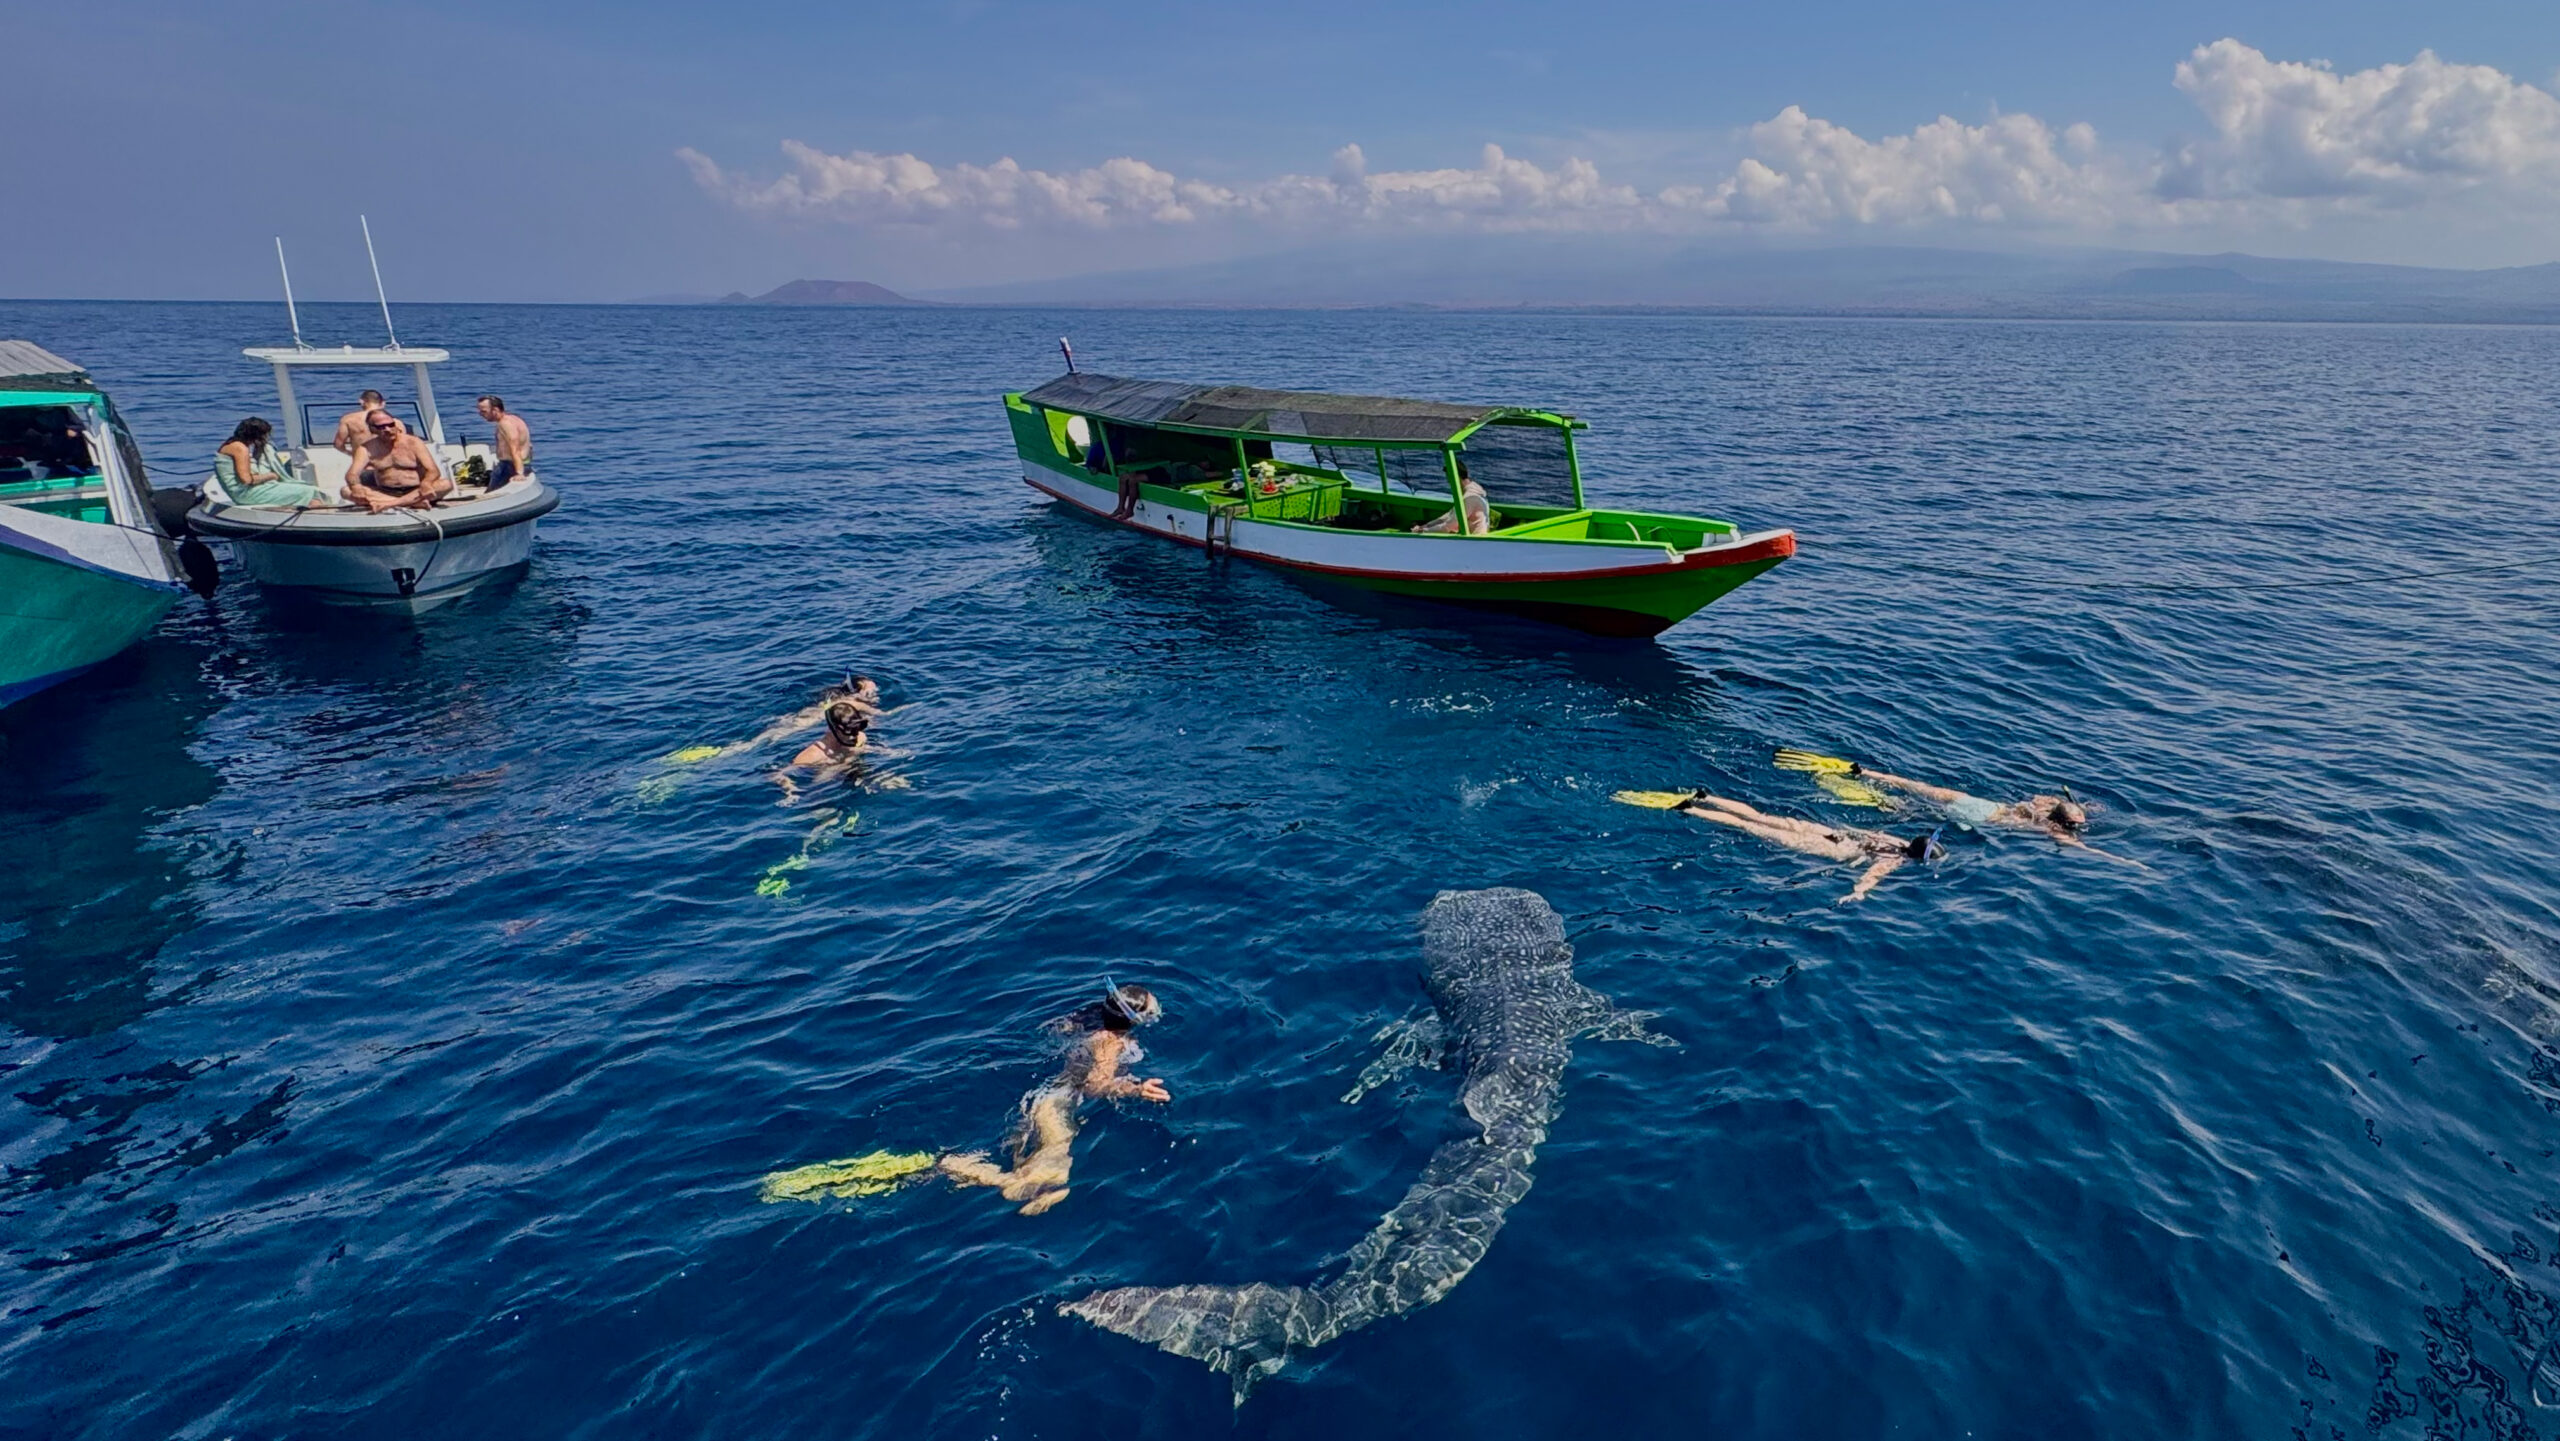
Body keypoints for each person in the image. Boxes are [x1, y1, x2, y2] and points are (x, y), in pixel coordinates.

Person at [939, 983, 1170, 1215]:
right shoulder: (1112, 1043)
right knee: (1054, 1170)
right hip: (1056, 1106)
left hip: (1045, 1098)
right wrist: (1135, 1089)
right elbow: (1095, 1085)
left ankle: (1012, 1183)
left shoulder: (1092, 1020)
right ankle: (974, 1171)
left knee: (1034, 1167)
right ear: (1133, 1019)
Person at [1777, 750, 2143, 865]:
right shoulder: (2052, 828)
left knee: (1922, 788)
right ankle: (1875, 796)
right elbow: (2079, 846)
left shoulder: (2046, 805)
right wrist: (2124, 861)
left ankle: (1867, 771)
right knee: (1905, 811)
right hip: (1977, 818)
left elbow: (2066, 808)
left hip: (1983, 805)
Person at [1674, 790, 1943, 903]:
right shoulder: (1895, 860)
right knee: (1750, 827)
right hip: (1827, 848)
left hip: (1829, 833)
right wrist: (1857, 893)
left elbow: (1867, 832)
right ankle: (1691, 810)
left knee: (1760, 817)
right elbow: (1871, 876)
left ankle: (1706, 796)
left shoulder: (1896, 839)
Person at [342, 411, 448, 512]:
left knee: (445, 484)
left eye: (391, 425)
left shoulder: (414, 442)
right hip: (385, 492)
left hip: (417, 490)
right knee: (346, 491)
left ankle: (389, 504)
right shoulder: (366, 448)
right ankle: (411, 503)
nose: (388, 429)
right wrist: (356, 487)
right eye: (381, 427)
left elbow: (433, 470)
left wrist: (426, 483)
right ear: (372, 429)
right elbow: (352, 474)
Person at [214, 417, 332, 507]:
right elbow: (247, 480)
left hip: (240, 492)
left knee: (300, 488)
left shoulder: (230, 444)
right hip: (245, 494)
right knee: (309, 491)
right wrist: (271, 476)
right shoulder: (240, 449)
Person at [773, 701, 869, 802]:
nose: (855, 736)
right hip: (822, 793)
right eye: (850, 731)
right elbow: (778, 774)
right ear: (834, 729)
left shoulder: (860, 738)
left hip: (853, 780)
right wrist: (791, 791)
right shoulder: (814, 755)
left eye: (858, 729)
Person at [1411, 461, 1491, 536]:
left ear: (1457, 477)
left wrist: (1423, 531)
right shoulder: (1471, 492)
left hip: (1474, 540)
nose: (1449, 482)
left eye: (1449, 478)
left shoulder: (1469, 498)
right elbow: (1448, 516)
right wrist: (1426, 526)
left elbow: (1450, 526)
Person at [475, 395, 532, 489]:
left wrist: (519, 473)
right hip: (522, 463)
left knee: (491, 497)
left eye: (484, 411)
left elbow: (515, 448)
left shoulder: (505, 424)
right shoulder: (515, 419)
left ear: (495, 410)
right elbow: (529, 446)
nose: (480, 414)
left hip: (510, 467)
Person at [332, 390, 388, 455]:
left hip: (362, 461)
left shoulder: (348, 419)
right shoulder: (392, 420)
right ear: (383, 403)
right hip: (384, 461)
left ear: (361, 402)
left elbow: (338, 444)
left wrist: (351, 454)